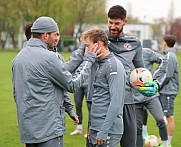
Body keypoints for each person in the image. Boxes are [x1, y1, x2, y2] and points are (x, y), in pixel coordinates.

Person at [12, 16, 101, 147]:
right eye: (56, 34)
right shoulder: (49, 57)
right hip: (49, 130)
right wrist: (88, 60)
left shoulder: (18, 58)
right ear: (46, 35)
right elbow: (72, 84)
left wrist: (69, 109)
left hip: (28, 131)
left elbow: (17, 94)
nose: (57, 38)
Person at [105, 5, 159, 147]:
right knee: (100, 142)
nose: (112, 26)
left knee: (130, 143)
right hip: (104, 100)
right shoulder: (100, 39)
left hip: (127, 100)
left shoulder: (134, 43)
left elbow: (141, 71)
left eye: (117, 23)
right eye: (110, 22)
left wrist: (152, 83)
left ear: (125, 22)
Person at [83, 28, 125, 147]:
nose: (86, 50)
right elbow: (97, 99)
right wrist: (92, 126)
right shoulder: (99, 64)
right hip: (96, 128)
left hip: (108, 132)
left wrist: (103, 130)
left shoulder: (114, 66)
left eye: (88, 46)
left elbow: (116, 101)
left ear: (99, 44)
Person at [134, 48, 169, 147]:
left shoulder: (146, 52)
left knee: (160, 119)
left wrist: (154, 77)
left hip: (150, 95)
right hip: (135, 98)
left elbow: (163, 60)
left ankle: (166, 144)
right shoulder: (126, 56)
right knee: (137, 128)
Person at [154, 35, 179, 147]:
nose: (162, 44)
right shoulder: (169, 55)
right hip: (165, 90)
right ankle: (163, 139)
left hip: (168, 91)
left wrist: (157, 85)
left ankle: (168, 142)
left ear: (165, 43)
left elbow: (168, 75)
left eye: (162, 42)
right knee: (164, 115)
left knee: (169, 116)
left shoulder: (170, 56)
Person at [70, 36, 91, 137]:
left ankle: (90, 130)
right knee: (78, 106)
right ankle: (79, 128)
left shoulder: (91, 54)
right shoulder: (76, 54)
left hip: (88, 84)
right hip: (78, 85)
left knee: (90, 107)